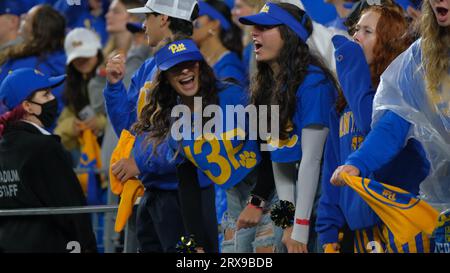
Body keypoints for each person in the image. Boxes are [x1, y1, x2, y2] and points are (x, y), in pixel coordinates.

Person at [330, 0, 449, 252]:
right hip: (440, 210)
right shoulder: (419, 58)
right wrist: (357, 163)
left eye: (368, 31)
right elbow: (393, 122)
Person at [105, 0, 204, 253]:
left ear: (163, 19)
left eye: (147, 17)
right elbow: (130, 128)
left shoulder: (188, 66)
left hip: (182, 193)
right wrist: (115, 87)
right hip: (154, 191)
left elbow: (190, 136)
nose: (142, 25)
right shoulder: (149, 66)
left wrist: (140, 163)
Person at [239, 2, 339, 253]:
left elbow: (312, 161)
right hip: (295, 191)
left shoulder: (314, 83)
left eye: (264, 27)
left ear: (289, 33)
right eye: (255, 28)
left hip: (324, 194)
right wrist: (287, 224)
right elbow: (279, 161)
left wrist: (300, 228)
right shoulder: (269, 85)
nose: (254, 33)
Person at [0, 68, 97, 253]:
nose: (53, 99)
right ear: (28, 106)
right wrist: (87, 248)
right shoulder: (45, 146)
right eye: (46, 94)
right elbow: (71, 208)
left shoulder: (4, 145)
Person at [0, 4, 66, 119]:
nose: (23, 17)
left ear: (38, 29)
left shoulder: (26, 65)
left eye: (27, 18)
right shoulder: (62, 61)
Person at [55, 28, 106, 165]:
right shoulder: (74, 86)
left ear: (97, 51)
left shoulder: (113, 75)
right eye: (77, 58)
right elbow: (59, 131)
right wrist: (72, 125)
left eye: (86, 55)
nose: (82, 61)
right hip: (91, 158)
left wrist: (101, 123)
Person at [193, 0, 246, 87]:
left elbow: (232, 100)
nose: (192, 23)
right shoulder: (202, 61)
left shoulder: (229, 69)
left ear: (214, 24)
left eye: (198, 17)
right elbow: (200, 98)